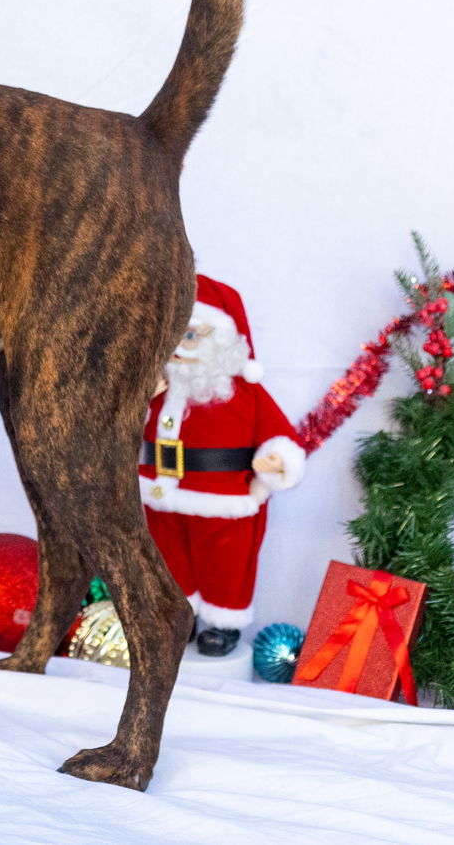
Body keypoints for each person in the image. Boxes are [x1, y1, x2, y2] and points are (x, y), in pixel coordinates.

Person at [139, 275, 306, 656]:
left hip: (222, 500)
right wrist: (138, 397)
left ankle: (221, 623)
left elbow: (280, 435)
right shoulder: (157, 383)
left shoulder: (243, 390)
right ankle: (180, 616)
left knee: (224, 566)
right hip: (160, 494)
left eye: (192, 336)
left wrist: (277, 460)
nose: (179, 348)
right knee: (166, 560)